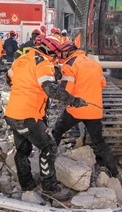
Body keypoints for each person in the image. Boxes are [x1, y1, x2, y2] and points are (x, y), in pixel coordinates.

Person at [5, 36, 88, 200]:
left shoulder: (21, 59)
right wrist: (74, 101)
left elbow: (9, 79)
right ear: (51, 51)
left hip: (12, 113)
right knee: (49, 147)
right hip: (29, 115)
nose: (56, 59)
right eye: (56, 55)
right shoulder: (43, 63)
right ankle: (50, 188)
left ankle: (27, 184)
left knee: (22, 150)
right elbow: (51, 89)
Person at [51, 41, 119, 178]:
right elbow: (102, 84)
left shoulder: (70, 65)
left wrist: (58, 83)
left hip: (76, 109)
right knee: (99, 141)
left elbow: (65, 91)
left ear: (67, 52)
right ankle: (114, 172)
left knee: (57, 131)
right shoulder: (94, 63)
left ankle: (49, 161)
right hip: (94, 110)